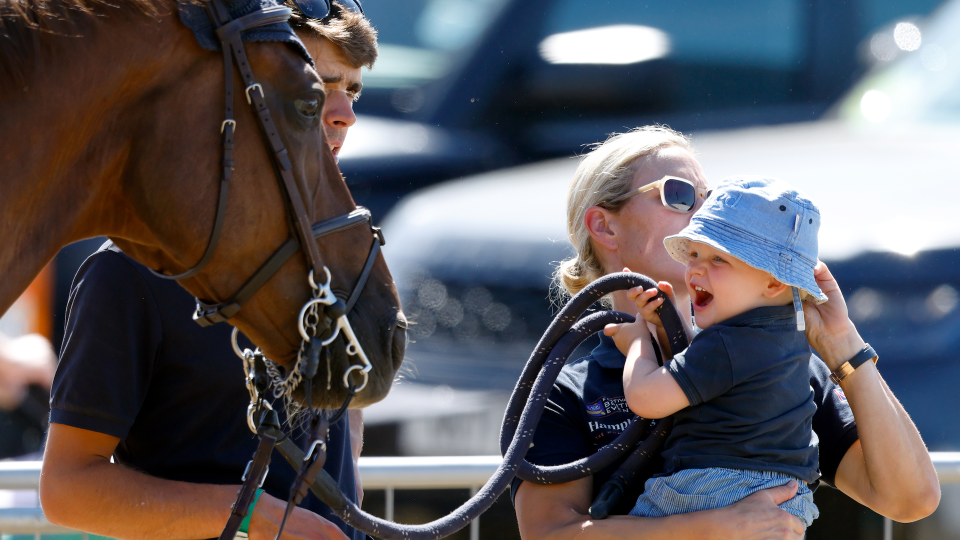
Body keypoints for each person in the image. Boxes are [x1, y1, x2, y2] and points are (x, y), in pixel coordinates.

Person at [39, 4, 378, 539]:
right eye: (320, 85)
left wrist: (342, 498)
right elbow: (66, 489)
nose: (344, 114)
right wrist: (252, 515)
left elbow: (344, 414)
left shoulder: (328, 250)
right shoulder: (129, 272)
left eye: (353, 91)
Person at [512, 126, 940, 540]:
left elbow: (910, 500)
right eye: (678, 194)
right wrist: (708, 529)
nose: (706, 213)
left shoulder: (780, 364)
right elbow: (549, 533)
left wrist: (842, 346)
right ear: (605, 227)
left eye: (711, 198)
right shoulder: (564, 392)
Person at [604, 177, 830, 528]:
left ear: (773, 283)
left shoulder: (730, 342)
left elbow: (646, 397)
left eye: (718, 259)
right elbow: (713, 374)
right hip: (787, 496)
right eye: (694, 253)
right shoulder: (786, 337)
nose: (695, 267)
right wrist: (668, 327)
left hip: (714, 489)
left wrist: (638, 341)